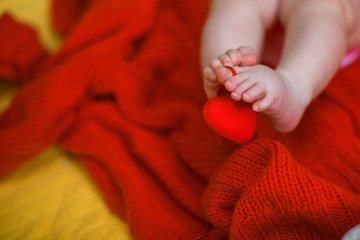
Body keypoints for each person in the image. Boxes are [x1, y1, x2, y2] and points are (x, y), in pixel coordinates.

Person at [201, 0, 360, 132]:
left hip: (319, 37)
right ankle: (228, 74)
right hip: (263, 36)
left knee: (320, 7)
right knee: (236, 4)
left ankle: (293, 85)